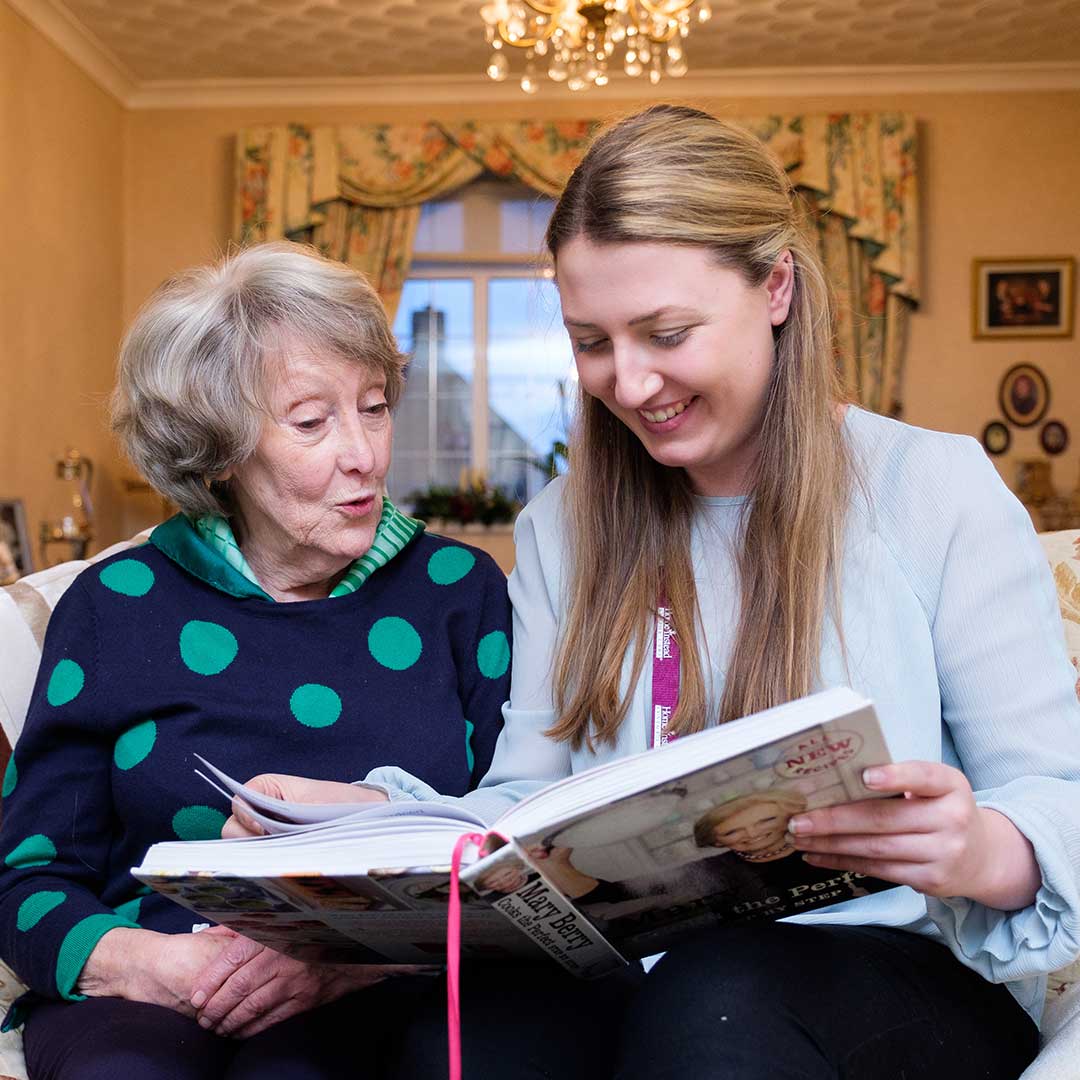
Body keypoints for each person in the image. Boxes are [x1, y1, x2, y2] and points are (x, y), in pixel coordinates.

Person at [218, 105, 1080, 1080]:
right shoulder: (563, 526)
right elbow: (524, 799)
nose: (628, 384)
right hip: (646, 968)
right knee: (464, 1037)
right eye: (591, 342)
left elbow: (1060, 797)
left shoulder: (935, 490)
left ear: (777, 288)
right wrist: (367, 820)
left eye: (666, 333)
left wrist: (976, 849)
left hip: (906, 974)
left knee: (714, 1001)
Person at [0, 241, 512, 1079]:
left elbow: (510, 851)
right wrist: (156, 967)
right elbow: (29, 875)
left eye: (374, 408)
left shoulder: (459, 592)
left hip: (392, 981)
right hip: (159, 977)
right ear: (220, 447)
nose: (366, 455)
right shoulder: (116, 606)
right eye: (313, 422)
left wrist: (345, 960)